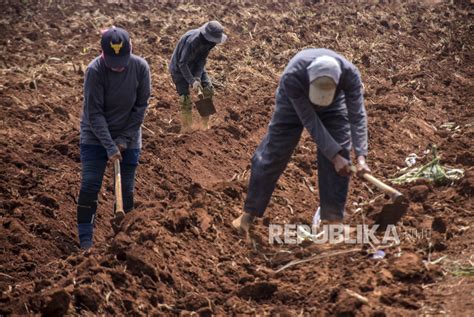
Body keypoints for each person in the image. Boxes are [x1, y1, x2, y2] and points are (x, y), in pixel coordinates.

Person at [232, 48, 370, 234]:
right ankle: (248, 214)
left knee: (341, 150)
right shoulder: (293, 77)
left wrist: (361, 156)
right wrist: (334, 156)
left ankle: (333, 223)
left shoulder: (350, 75)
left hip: (335, 104)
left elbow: (357, 116)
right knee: (274, 152)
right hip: (293, 103)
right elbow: (310, 122)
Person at [77, 26, 151, 249]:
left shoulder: (140, 68)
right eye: (112, 61)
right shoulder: (95, 71)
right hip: (94, 134)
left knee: (126, 191)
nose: (118, 67)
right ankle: (86, 242)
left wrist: (125, 139)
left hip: (129, 132)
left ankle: (124, 240)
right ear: (102, 53)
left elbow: (141, 106)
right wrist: (110, 146)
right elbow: (94, 113)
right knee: (90, 184)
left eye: (122, 60)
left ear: (131, 50)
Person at [169, 21, 227, 132]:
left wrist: (197, 77)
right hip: (179, 69)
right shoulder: (192, 41)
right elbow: (182, 63)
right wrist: (192, 81)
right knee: (185, 99)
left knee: (208, 89)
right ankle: (187, 128)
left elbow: (201, 60)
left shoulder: (211, 43)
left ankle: (204, 123)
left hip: (195, 65)